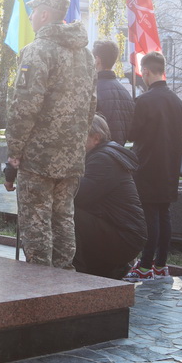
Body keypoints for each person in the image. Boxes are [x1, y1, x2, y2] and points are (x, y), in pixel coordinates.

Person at [5, 0, 96, 268]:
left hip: (39, 156)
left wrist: (14, 151)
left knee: (36, 220)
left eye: (33, 12)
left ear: (44, 14)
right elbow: (91, 103)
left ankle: (39, 286)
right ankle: (65, 279)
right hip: (70, 155)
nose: (31, 17)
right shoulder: (86, 55)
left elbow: (25, 105)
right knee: (63, 218)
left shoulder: (37, 51)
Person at [123, 51, 182, 281]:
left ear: (146, 71)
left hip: (148, 165)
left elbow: (132, 133)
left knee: (150, 217)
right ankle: (160, 265)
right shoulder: (177, 101)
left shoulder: (145, 100)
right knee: (163, 214)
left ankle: (144, 266)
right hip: (170, 166)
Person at [73, 115, 147, 279]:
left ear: (96, 138)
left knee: (69, 214)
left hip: (124, 238)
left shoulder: (103, 159)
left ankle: (76, 275)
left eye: (79, 135)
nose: (73, 140)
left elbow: (80, 195)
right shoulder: (102, 154)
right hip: (120, 230)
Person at [93, 39, 135, 144]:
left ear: (97, 60)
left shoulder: (93, 90)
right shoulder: (125, 92)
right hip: (119, 153)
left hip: (97, 155)